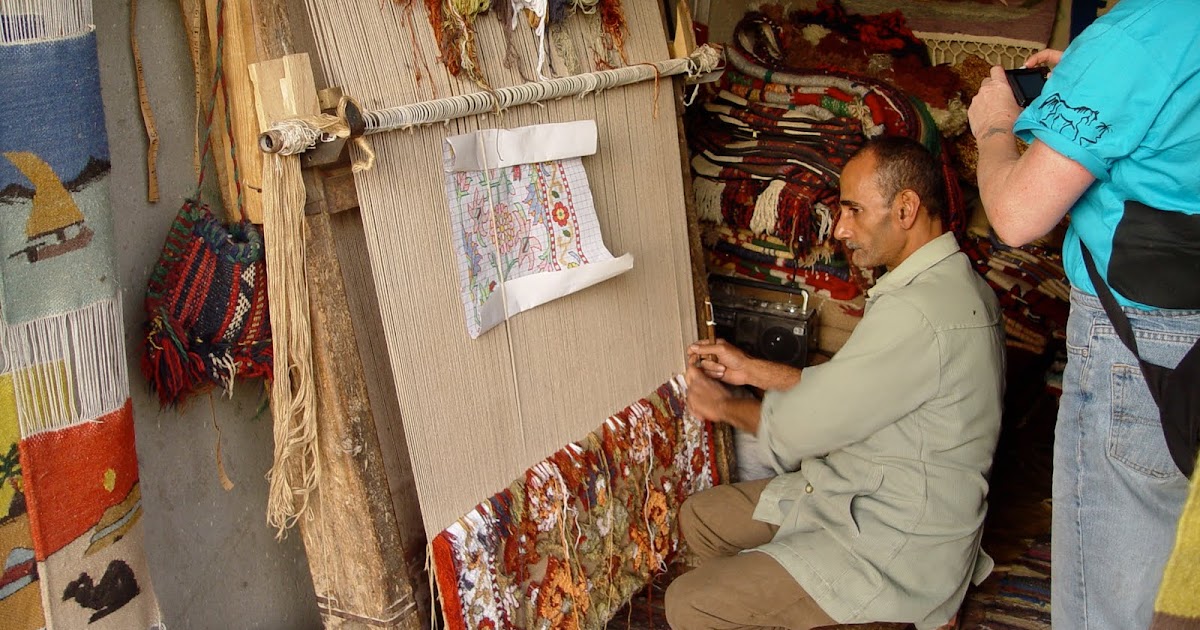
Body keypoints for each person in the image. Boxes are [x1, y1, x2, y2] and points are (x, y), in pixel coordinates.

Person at [665, 136, 1006, 630]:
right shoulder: (950, 286)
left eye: (853, 210)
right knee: (700, 518)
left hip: (894, 542)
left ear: (906, 208)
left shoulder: (922, 311)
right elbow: (858, 386)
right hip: (861, 491)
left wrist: (728, 405)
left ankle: (870, 616)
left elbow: (803, 428)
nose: (841, 228)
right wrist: (752, 370)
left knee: (689, 603)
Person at [968, 1, 1200, 628]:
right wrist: (1098, 75)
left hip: (1142, 347)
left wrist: (994, 129)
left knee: (1111, 597)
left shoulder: (1138, 36)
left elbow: (1017, 217)